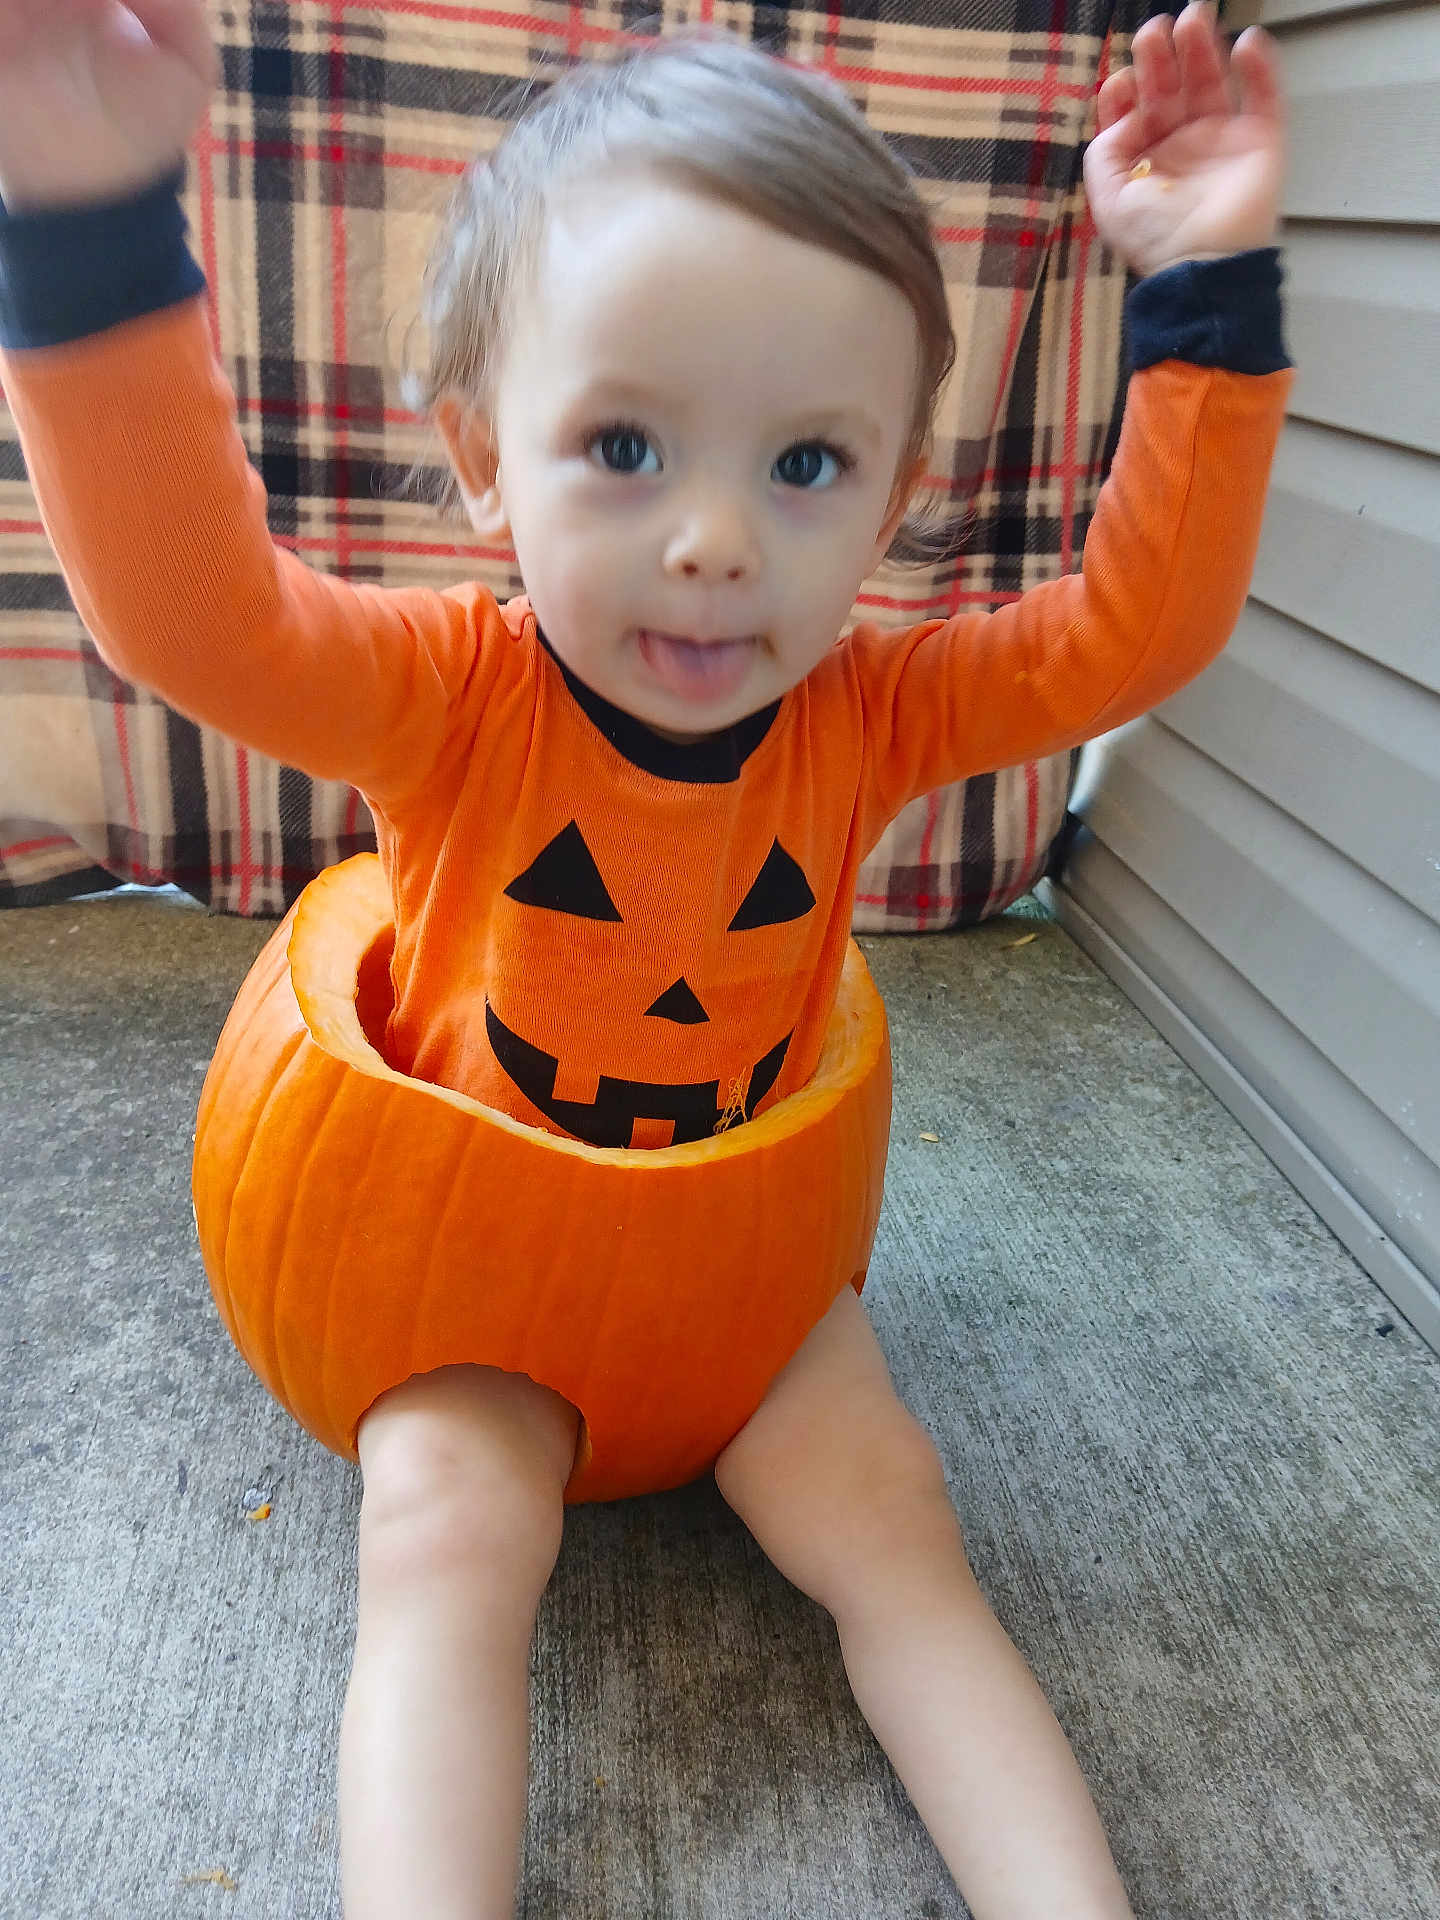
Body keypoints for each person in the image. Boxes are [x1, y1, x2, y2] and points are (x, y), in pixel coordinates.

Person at [0, 3, 1289, 1914]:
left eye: (804, 464)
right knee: (443, 1532)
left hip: (744, 1263)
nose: (712, 543)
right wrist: (90, 216)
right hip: (463, 1264)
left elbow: (1132, 634)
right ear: (482, 462)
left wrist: (1205, 294)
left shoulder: (880, 709)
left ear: (897, 491)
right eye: (624, 444)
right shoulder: (448, 700)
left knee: (901, 1529)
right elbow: (193, 610)